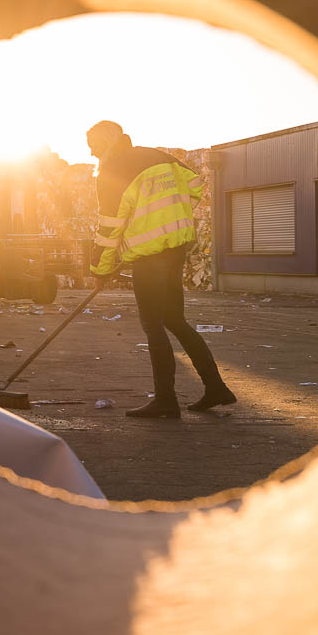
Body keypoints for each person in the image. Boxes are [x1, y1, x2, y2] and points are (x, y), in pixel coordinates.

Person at [85, 120, 235, 418]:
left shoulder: (112, 171)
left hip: (149, 258)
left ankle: (166, 400)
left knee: (153, 325)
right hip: (174, 251)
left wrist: (100, 269)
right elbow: (194, 184)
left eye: (93, 147)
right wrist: (168, 219)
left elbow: (109, 228)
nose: (91, 154)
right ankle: (216, 387)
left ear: (104, 143)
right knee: (175, 321)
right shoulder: (159, 157)